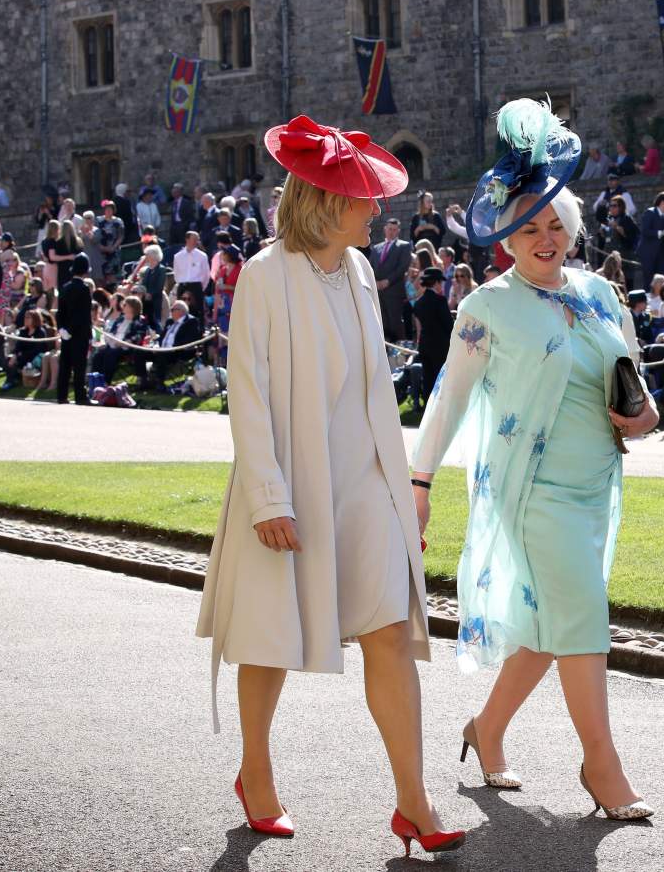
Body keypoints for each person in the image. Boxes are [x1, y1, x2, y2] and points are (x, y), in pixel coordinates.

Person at [194, 114, 463, 855]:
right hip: (292, 478)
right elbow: (245, 394)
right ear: (326, 200)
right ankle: (256, 771)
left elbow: (375, 390)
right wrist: (267, 497)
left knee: (389, 631)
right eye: (364, 196)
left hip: (365, 481)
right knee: (269, 636)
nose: (378, 208)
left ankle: (414, 799)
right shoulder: (262, 274)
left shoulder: (357, 272)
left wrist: (405, 489)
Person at [412, 98, 658, 821]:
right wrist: (419, 481)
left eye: (556, 224)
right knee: (582, 616)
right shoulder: (486, 307)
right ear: (507, 237)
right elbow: (446, 402)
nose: (547, 237)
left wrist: (643, 418)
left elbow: (640, 396)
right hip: (534, 493)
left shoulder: (601, 294)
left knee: (555, 631)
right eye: (531, 226)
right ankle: (601, 766)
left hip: (593, 490)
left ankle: (485, 729)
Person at [411, 266, 452, 395]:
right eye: (441, 282)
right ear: (436, 282)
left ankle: (427, 405)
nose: (442, 285)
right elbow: (449, 325)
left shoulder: (419, 302)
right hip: (440, 346)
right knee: (440, 377)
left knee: (428, 377)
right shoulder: (440, 301)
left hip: (424, 344)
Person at [371, 217, 412, 341]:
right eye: (390, 229)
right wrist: (375, 282)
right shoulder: (376, 248)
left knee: (395, 323)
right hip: (378, 291)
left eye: (394, 230)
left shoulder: (404, 246)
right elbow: (370, 266)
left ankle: (399, 352)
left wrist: (387, 281)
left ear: (398, 231)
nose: (391, 232)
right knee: (382, 322)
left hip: (394, 291)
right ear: (385, 229)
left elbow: (402, 267)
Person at [90, 294, 149, 380]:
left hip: (126, 348)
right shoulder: (121, 319)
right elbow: (112, 332)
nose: (122, 307)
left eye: (125, 305)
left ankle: (106, 381)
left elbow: (138, 337)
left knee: (110, 354)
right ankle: (95, 381)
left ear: (132, 307)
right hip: (112, 344)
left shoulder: (140, 320)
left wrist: (123, 343)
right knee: (98, 355)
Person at [55, 271, 93, 405]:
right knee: (79, 366)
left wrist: (62, 328)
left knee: (65, 364)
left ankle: (61, 395)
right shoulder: (84, 289)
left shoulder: (65, 287)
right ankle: (80, 396)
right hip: (79, 332)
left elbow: (60, 311)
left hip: (66, 332)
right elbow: (84, 314)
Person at [636, 191, 664, 287]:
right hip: (649, 253)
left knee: (662, 279)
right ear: (662, 202)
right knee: (649, 280)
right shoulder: (650, 213)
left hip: (660, 254)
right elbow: (645, 231)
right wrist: (662, 233)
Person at [172, 231, 211, 325]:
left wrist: (200, 288)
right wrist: (182, 284)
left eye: (197, 239)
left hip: (196, 286)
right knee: (181, 312)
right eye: (194, 239)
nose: (196, 242)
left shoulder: (202, 256)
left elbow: (206, 274)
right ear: (187, 239)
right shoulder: (178, 256)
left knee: (198, 312)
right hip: (182, 286)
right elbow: (176, 273)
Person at [95, 200, 125, 283]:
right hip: (101, 251)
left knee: (113, 274)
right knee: (101, 274)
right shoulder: (98, 220)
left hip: (114, 250)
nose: (108, 211)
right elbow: (95, 234)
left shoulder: (118, 221)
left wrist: (113, 247)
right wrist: (102, 247)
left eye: (110, 209)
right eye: (106, 209)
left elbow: (121, 236)